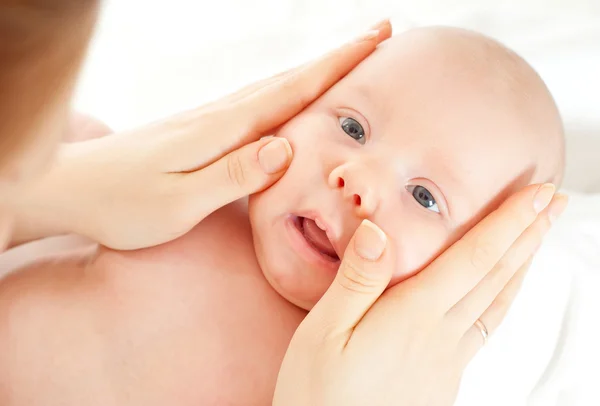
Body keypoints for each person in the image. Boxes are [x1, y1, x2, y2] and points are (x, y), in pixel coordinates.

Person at [0, 3, 566, 405]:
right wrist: (64, 176)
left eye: (424, 196)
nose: (355, 178)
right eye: (351, 126)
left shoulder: (350, 379)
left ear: (471, 273)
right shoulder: (194, 198)